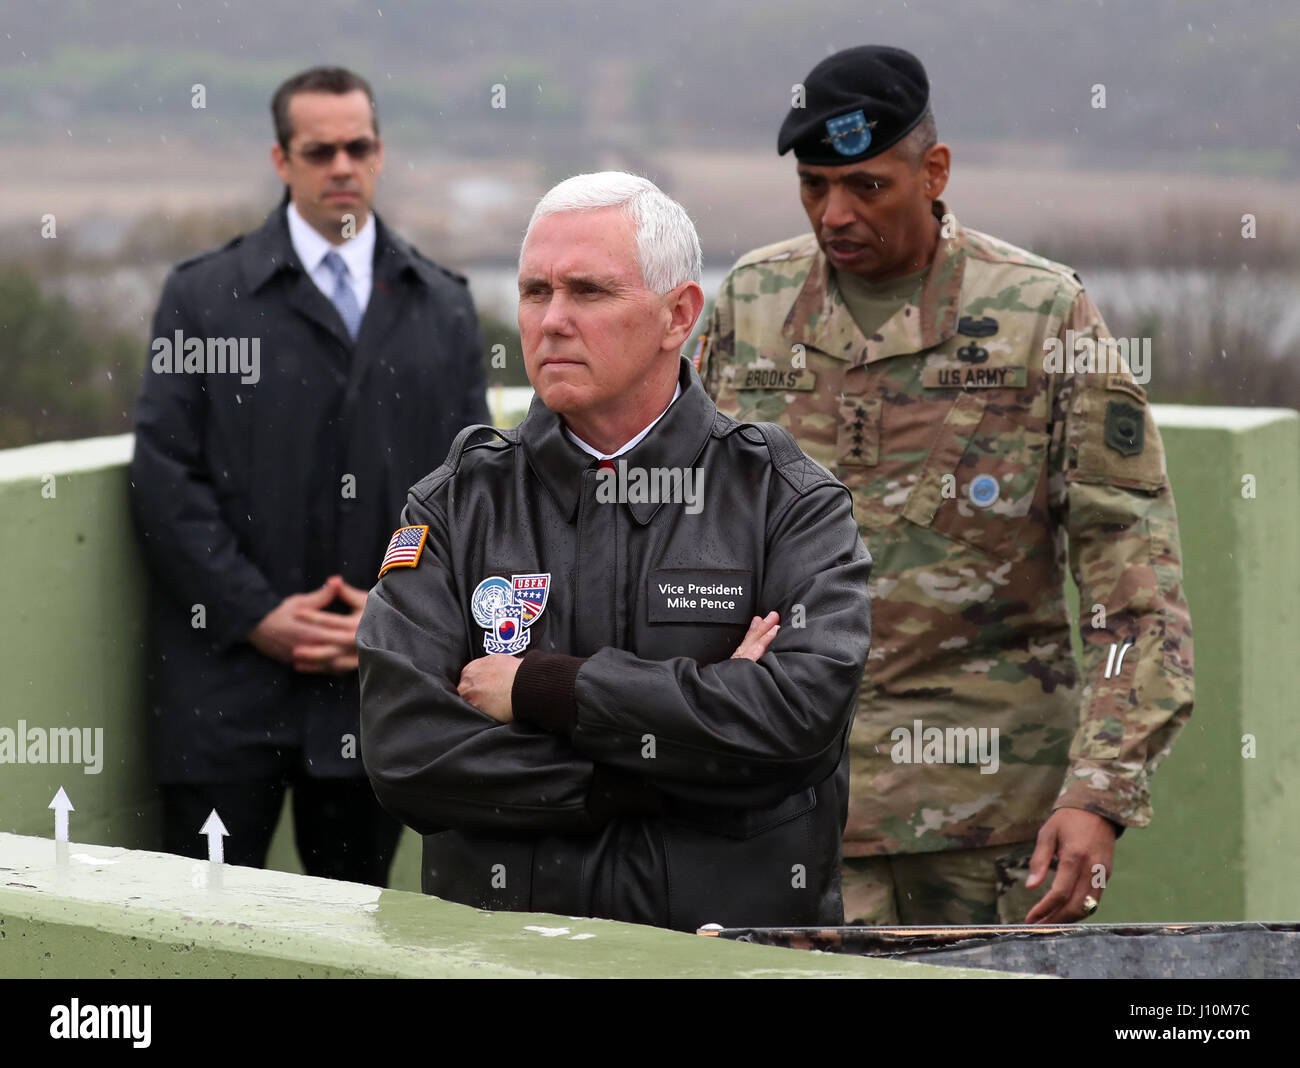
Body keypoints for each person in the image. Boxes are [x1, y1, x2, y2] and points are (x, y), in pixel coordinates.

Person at [698, 45, 1194, 926]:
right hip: (790, 805)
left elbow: (1134, 589)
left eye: (865, 187)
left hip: (993, 826)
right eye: (814, 186)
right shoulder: (750, 306)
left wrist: (1103, 791)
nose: (834, 214)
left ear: (934, 171)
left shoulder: (1043, 315)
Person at [355, 172, 872, 932]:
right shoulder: (457, 504)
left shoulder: (784, 501)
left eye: (589, 293)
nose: (552, 321)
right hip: (508, 960)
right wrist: (656, 767)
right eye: (536, 292)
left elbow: (798, 724)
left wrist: (547, 692)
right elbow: (406, 752)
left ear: (678, 316)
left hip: (724, 962)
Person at [129, 66, 489, 885]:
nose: (341, 167)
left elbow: (471, 490)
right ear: (281, 159)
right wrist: (255, 613)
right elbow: (163, 477)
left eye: (357, 147)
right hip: (221, 692)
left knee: (351, 946)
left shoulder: (443, 306)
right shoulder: (204, 299)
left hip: (375, 695)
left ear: (381, 152)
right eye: (318, 149)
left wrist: (394, 612)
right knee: (197, 933)